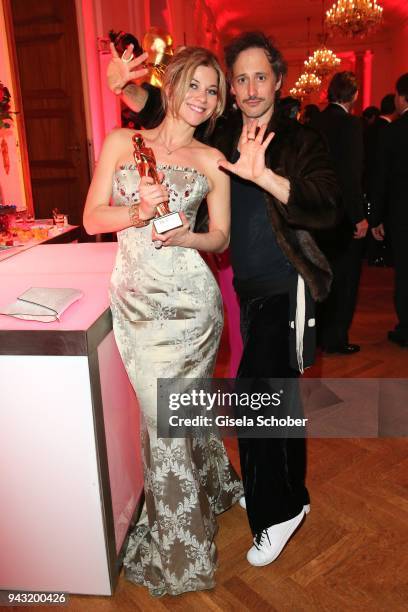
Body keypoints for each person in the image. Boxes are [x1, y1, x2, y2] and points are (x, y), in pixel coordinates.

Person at [107, 31, 340, 567]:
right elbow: (174, 122)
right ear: (231, 91)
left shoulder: (302, 141)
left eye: (262, 76)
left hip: (289, 288)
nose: (251, 87)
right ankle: (292, 495)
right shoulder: (227, 131)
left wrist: (270, 178)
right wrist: (129, 92)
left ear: (279, 81)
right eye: (241, 79)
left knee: (258, 397)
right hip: (243, 292)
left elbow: (330, 207)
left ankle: (278, 511)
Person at [84, 46, 243, 597]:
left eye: (212, 91)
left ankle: (182, 552)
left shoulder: (212, 160)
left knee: (165, 426)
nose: (203, 98)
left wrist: (188, 235)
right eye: (195, 85)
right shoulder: (122, 143)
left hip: (192, 309)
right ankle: (213, 483)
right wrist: (140, 212)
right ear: (170, 83)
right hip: (135, 304)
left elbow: (220, 237)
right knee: (174, 418)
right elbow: (91, 216)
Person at [312, 71, 368, 354]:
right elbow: (351, 175)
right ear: (354, 96)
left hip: (316, 214)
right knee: (344, 279)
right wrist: (359, 216)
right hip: (342, 215)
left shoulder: (314, 122)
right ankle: (335, 339)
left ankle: (319, 334)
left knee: (321, 274)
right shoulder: (350, 125)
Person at [371, 73, 408, 348]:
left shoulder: (394, 131)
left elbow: (381, 177)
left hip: (401, 215)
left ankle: (406, 328)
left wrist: (376, 217)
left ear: (402, 97)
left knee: (405, 273)